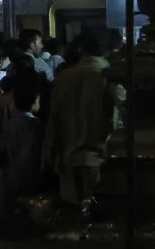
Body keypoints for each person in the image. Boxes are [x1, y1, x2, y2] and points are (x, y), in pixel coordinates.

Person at [45, 29, 117, 213]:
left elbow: (54, 119)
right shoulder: (110, 74)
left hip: (68, 154)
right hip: (103, 155)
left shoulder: (64, 77)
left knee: (74, 214)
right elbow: (114, 117)